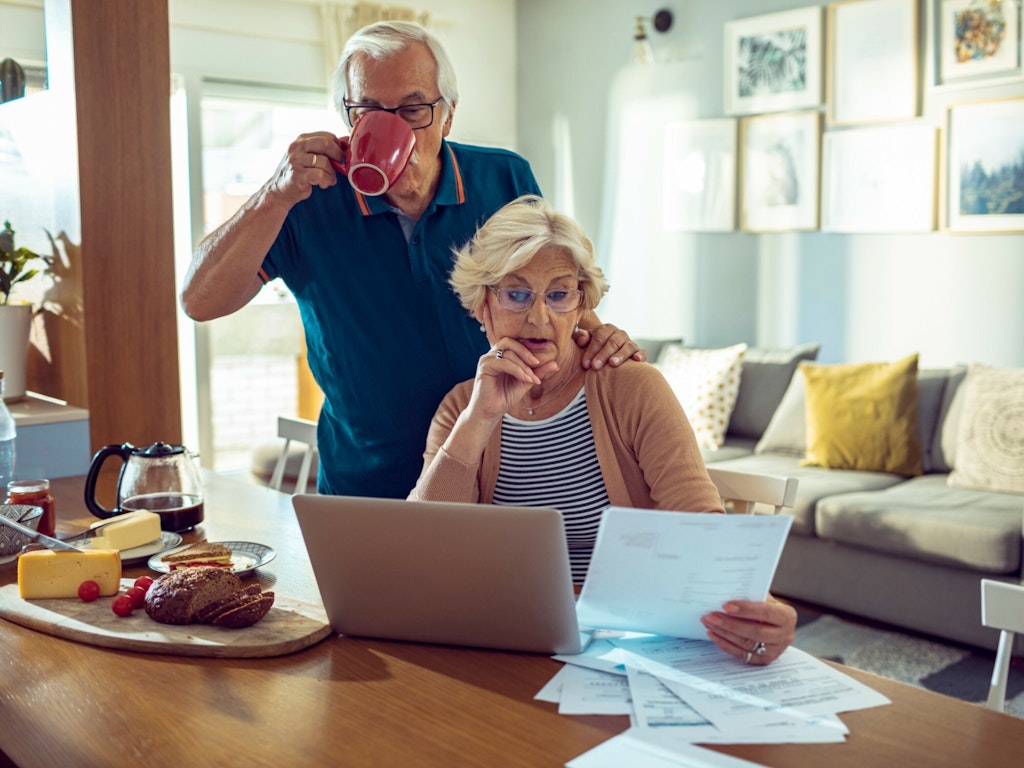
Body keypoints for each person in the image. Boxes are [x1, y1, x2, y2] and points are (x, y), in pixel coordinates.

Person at [180, 21, 643, 498]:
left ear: (448, 116)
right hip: (365, 486)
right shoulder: (305, 199)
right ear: (348, 117)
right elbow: (199, 301)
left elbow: (551, 292)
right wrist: (272, 196)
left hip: (498, 474)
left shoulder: (503, 178)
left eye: (413, 108)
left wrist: (595, 333)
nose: (393, 127)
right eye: (368, 110)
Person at [408, 195, 796, 665]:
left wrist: (757, 613)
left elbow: (698, 523)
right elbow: (425, 554)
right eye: (516, 293)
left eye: (558, 294)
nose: (539, 318)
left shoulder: (631, 387)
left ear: (581, 305)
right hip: (505, 644)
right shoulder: (460, 409)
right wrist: (480, 418)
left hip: (623, 645)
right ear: (481, 306)